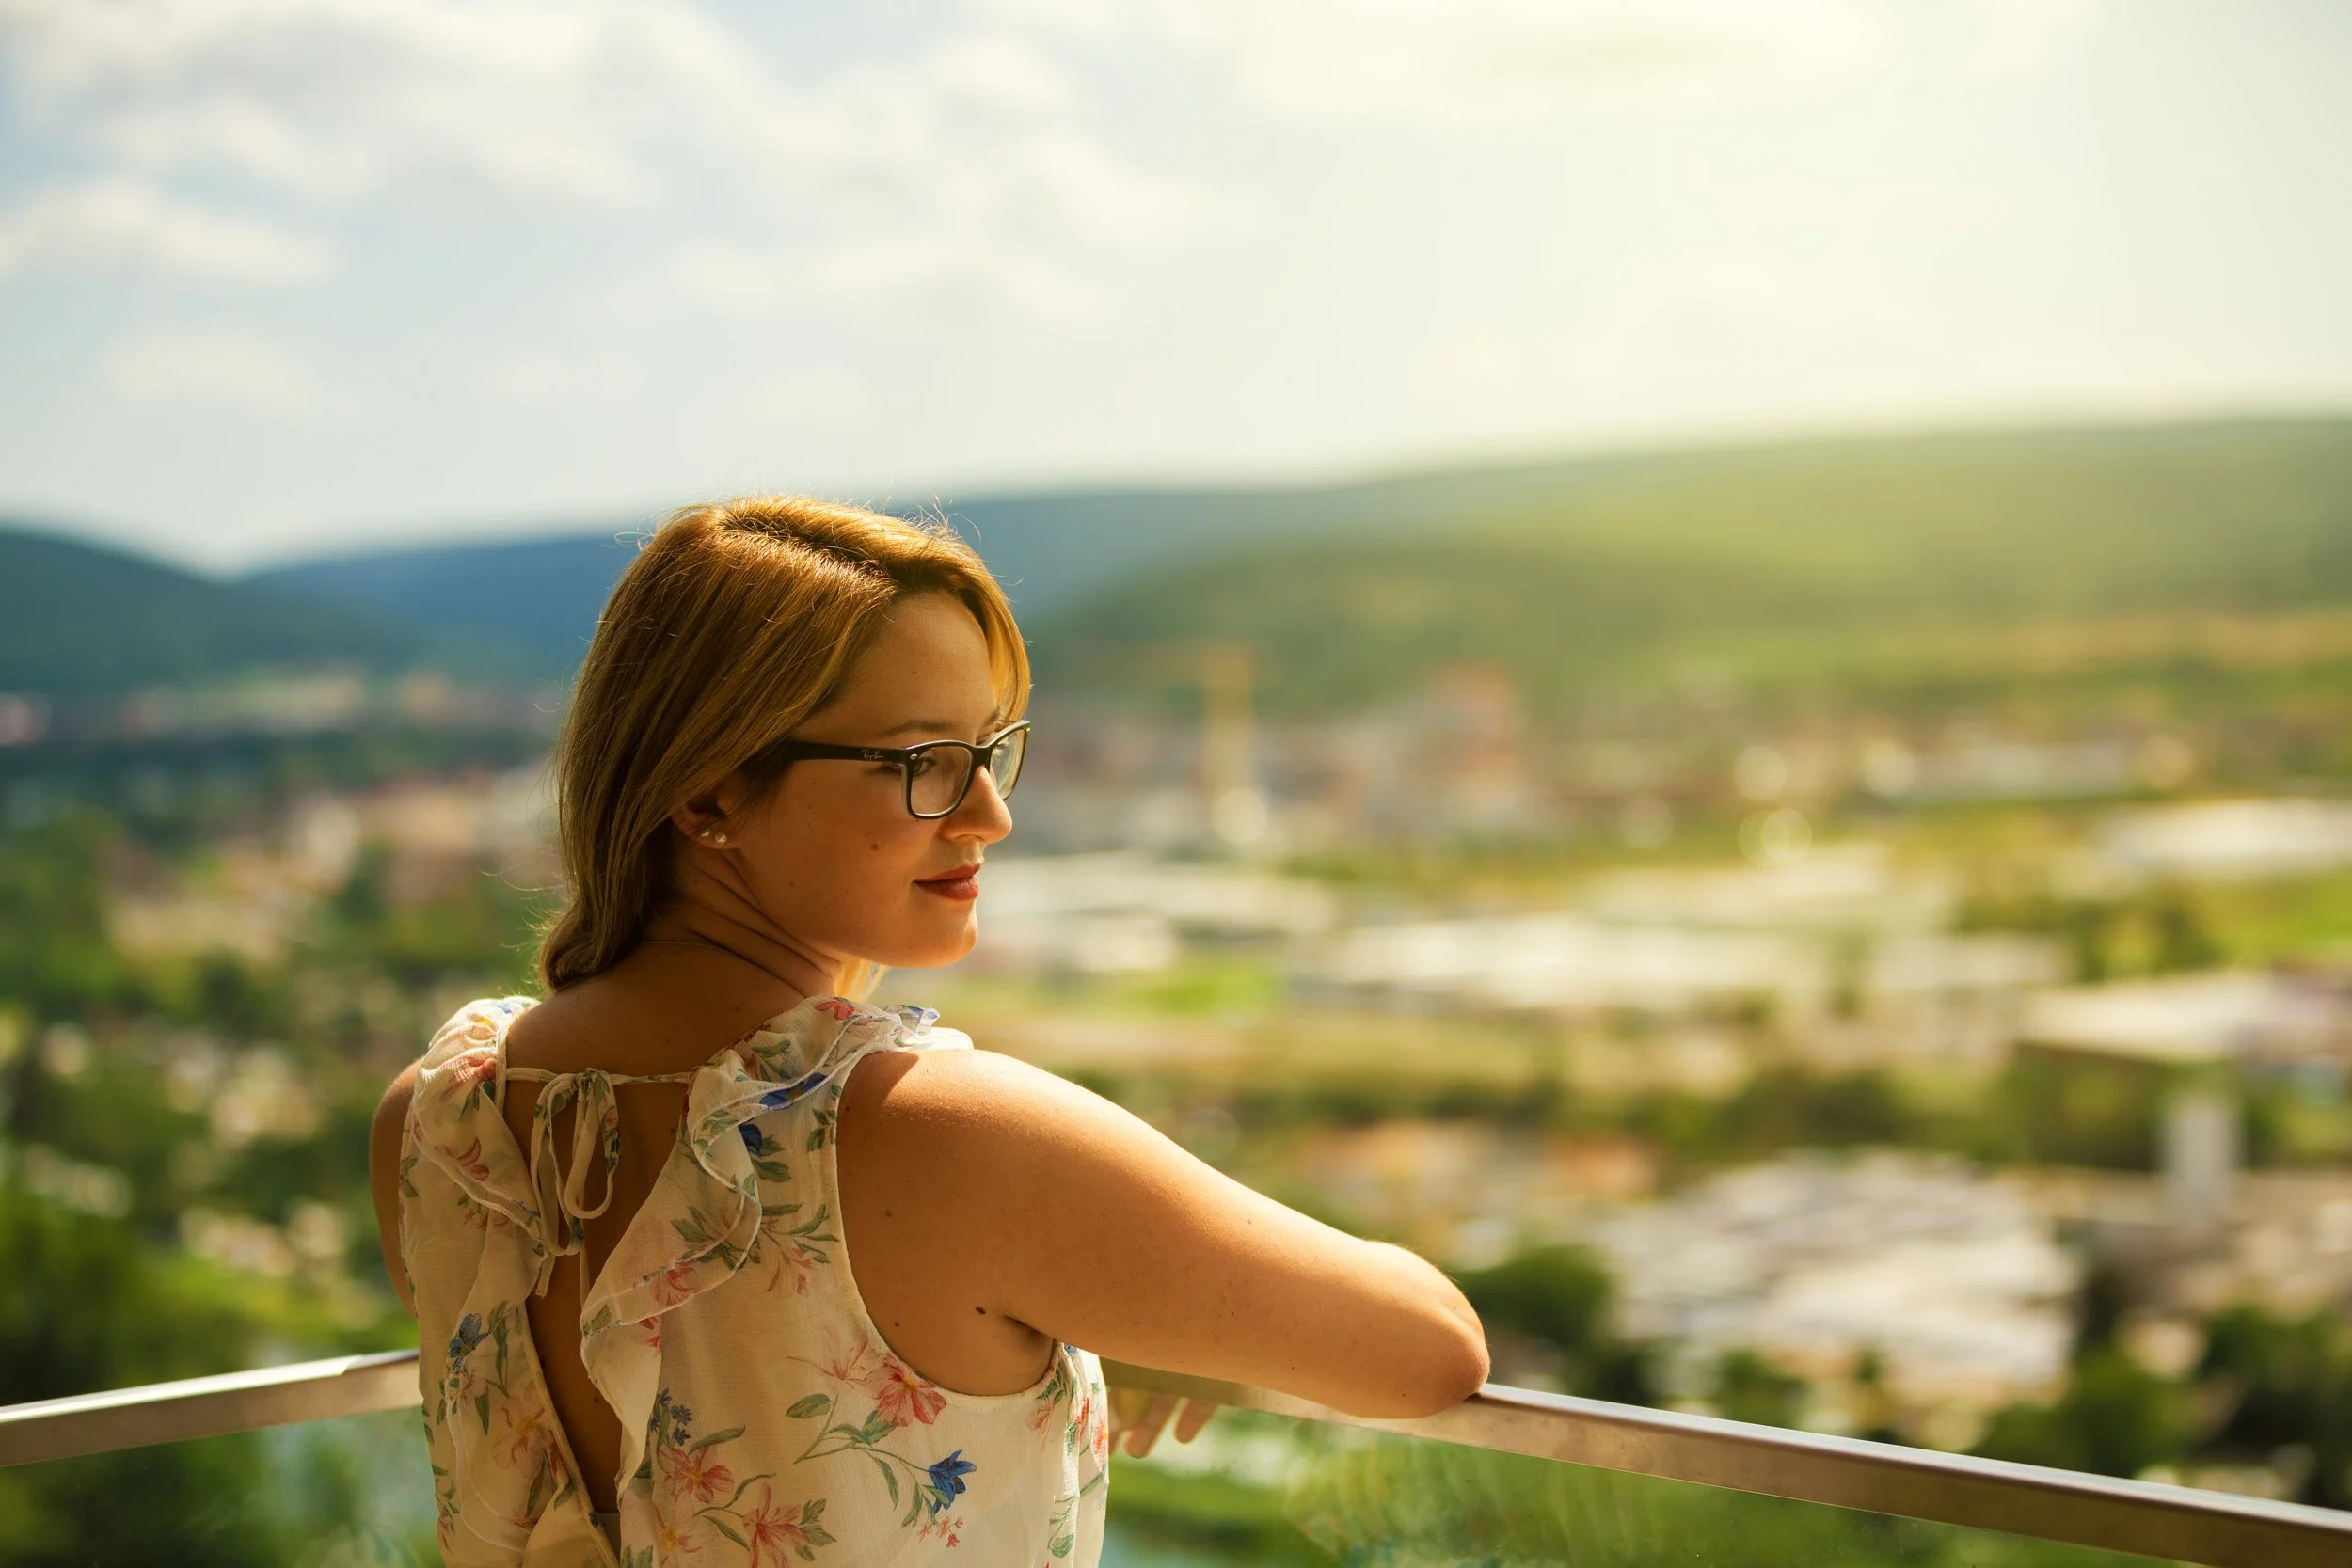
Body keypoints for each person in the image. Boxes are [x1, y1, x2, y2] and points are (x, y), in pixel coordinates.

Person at [368, 497, 1488, 1567]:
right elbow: (1431, 1345)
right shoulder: (936, 1133)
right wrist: (1142, 1296)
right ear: (708, 797)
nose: (989, 813)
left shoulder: (438, 1117)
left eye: (989, 750)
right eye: (920, 764)